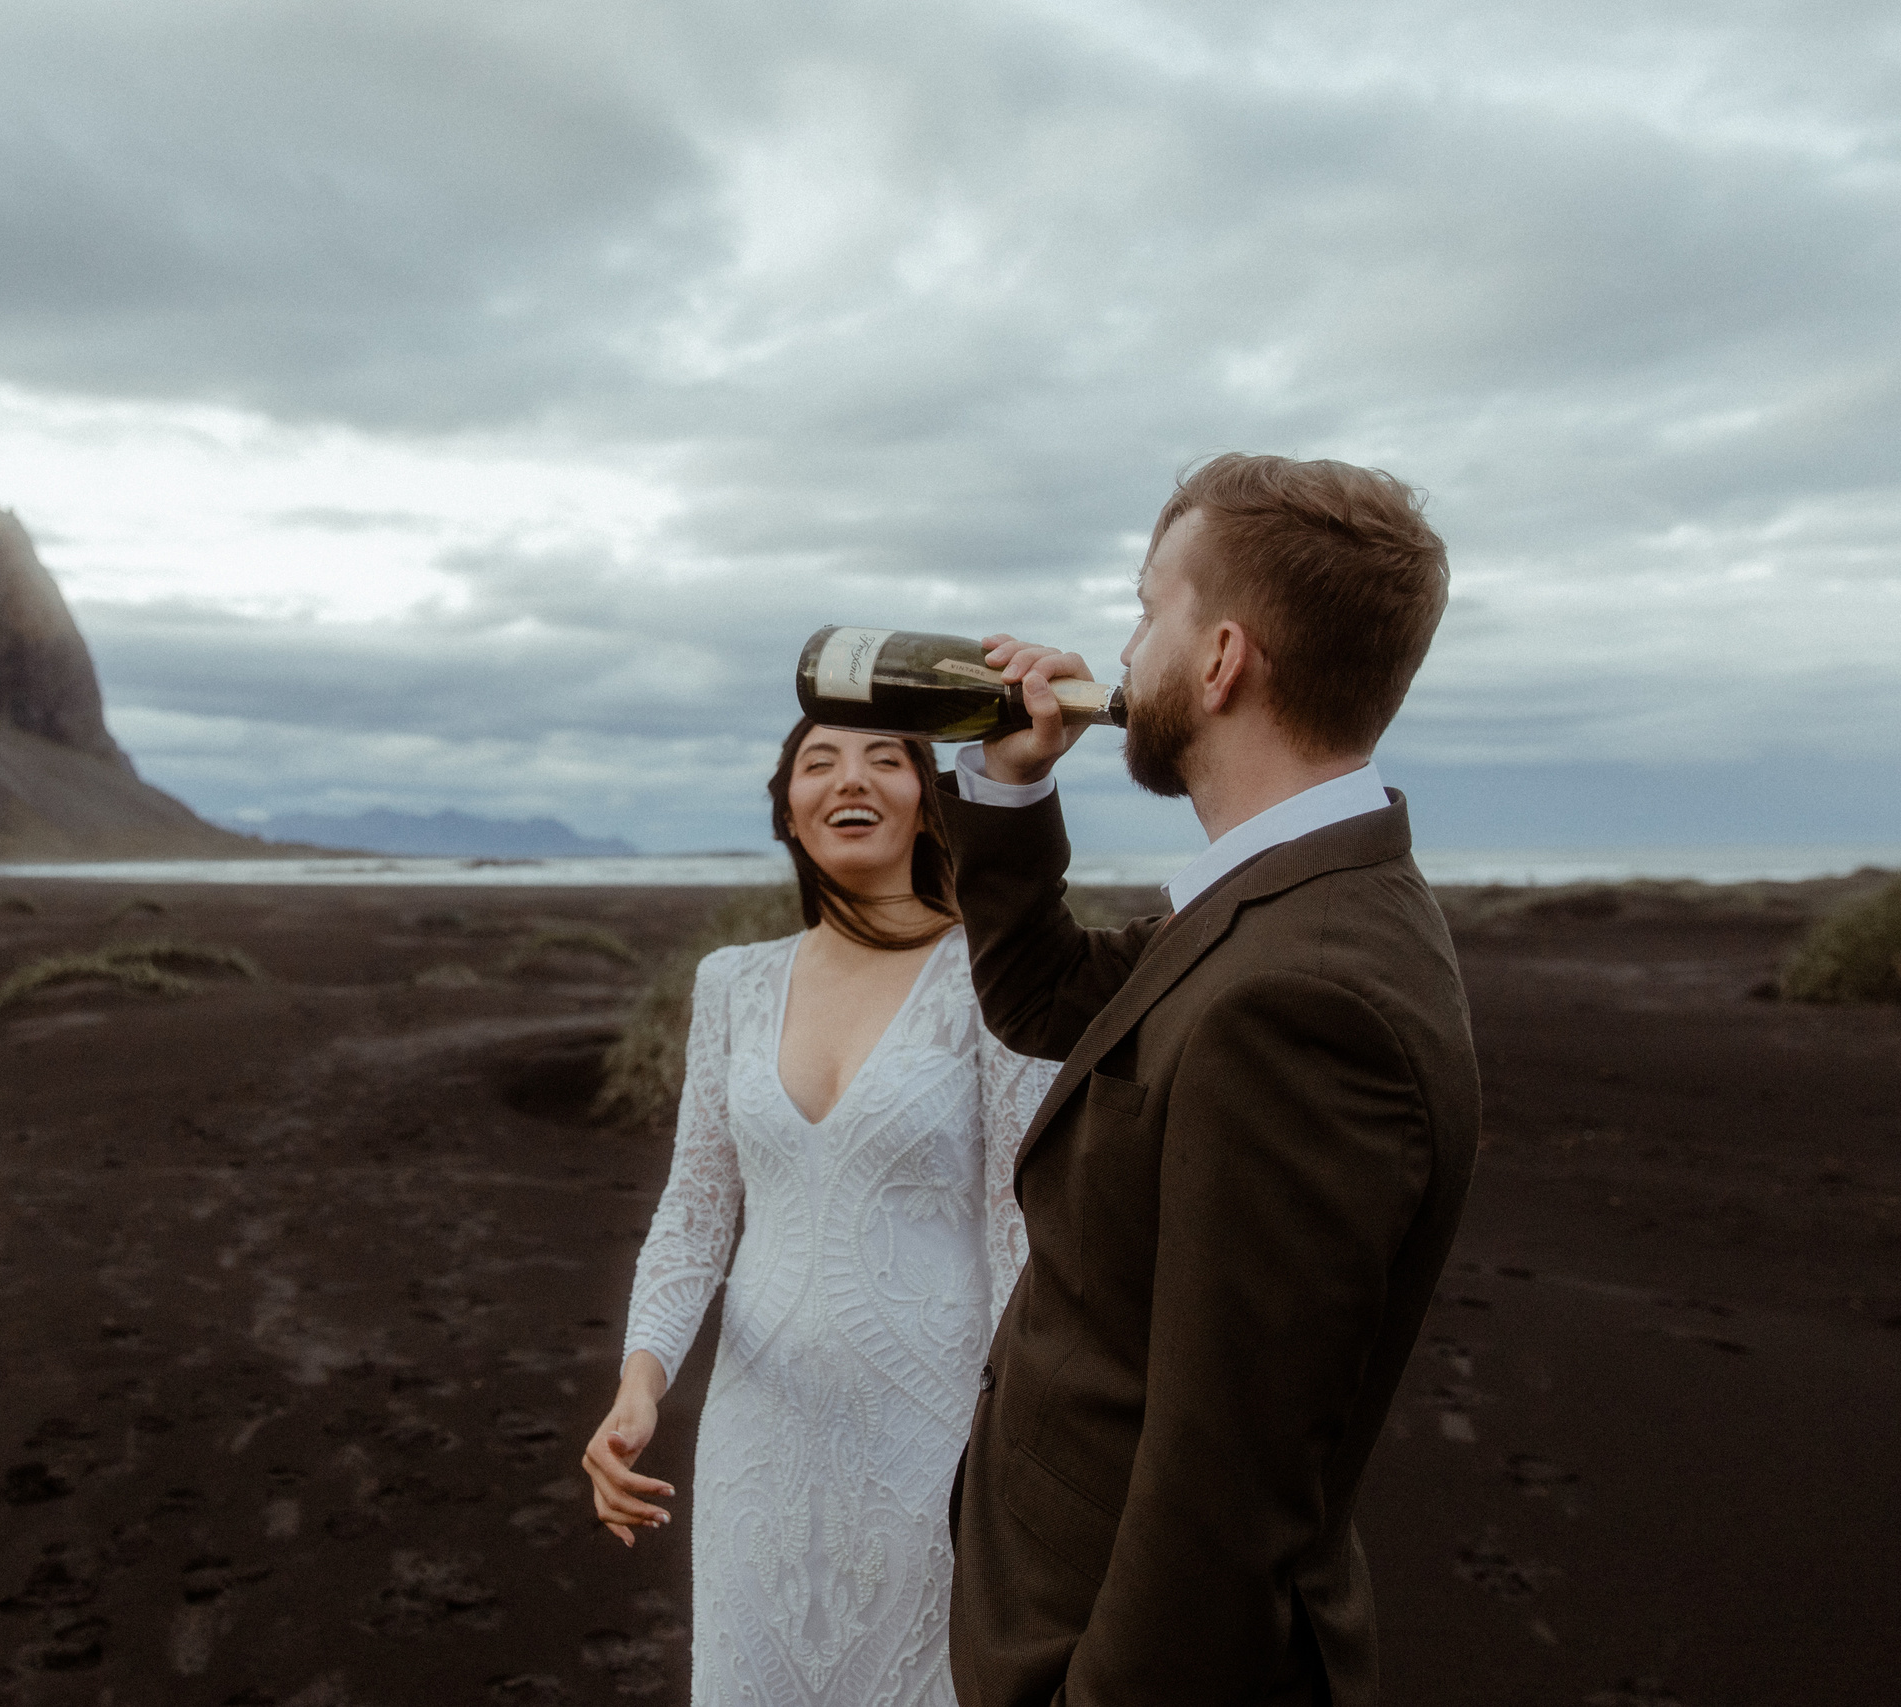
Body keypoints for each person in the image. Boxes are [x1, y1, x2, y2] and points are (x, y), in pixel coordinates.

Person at [940, 453, 1482, 1706]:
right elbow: (1048, 1002)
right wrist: (1010, 783)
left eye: (1147, 613)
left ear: (1223, 659)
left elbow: (1222, 1495)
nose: (1121, 656)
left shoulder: (1306, 1000)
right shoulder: (1291, 901)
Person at [583, 717, 1053, 1707]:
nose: (854, 779)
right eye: (820, 763)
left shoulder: (996, 975)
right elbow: (699, 1206)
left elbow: (1022, 1221)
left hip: (933, 1437)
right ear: (787, 810)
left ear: (927, 803)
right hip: (759, 1434)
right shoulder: (732, 984)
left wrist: (1028, 1434)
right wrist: (640, 1382)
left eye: (887, 759)